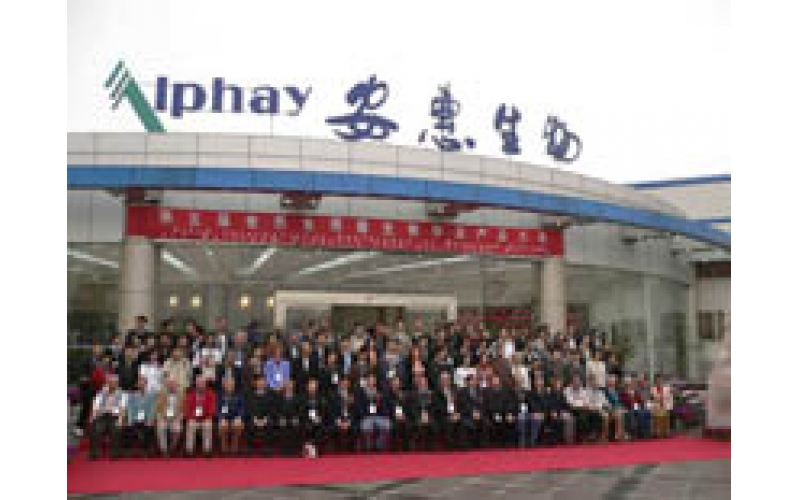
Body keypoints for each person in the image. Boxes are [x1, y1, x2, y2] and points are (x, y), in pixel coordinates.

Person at [89, 374, 127, 460]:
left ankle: (115, 453)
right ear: (107, 383)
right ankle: (94, 453)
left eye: (114, 382)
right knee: (96, 428)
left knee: (116, 429)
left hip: (115, 416)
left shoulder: (123, 394)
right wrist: (92, 417)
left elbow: (123, 408)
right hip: (102, 416)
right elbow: (95, 407)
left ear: (117, 384)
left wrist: (120, 419)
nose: (112, 384)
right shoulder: (100, 394)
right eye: (110, 382)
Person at [356, 373, 392, 452]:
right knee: (366, 426)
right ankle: (368, 446)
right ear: (367, 381)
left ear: (375, 381)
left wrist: (379, 402)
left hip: (379, 416)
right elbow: (359, 408)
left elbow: (385, 409)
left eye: (373, 379)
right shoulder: (361, 392)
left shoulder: (380, 392)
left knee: (387, 425)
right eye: (370, 379)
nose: (371, 381)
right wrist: (367, 411)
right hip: (367, 416)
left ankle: (379, 445)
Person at [184, 375, 217, 457]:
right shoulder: (190, 394)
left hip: (206, 417)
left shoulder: (211, 394)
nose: (200, 385)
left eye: (202, 383)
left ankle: (207, 450)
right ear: (195, 384)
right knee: (190, 425)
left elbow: (212, 408)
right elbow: (187, 409)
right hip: (193, 418)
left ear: (205, 384)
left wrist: (205, 417)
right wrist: (194, 417)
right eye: (198, 383)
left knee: (207, 425)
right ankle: (189, 450)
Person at [246, 374, 277, 456]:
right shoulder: (250, 395)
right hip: (253, 418)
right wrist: (254, 419)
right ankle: (253, 448)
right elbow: (248, 409)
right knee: (249, 423)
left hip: (267, 418)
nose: (261, 383)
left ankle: (267, 447)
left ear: (266, 383)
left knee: (271, 423)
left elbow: (272, 410)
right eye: (259, 381)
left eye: (263, 381)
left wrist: (265, 419)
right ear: (255, 383)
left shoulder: (271, 395)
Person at [125, 376, 156, 457]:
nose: (141, 385)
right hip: (135, 418)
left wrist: (149, 420)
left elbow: (152, 409)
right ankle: (129, 450)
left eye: (143, 384)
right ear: (137, 385)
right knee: (129, 427)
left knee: (149, 428)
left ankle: (146, 450)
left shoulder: (151, 395)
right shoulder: (132, 395)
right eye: (140, 384)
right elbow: (130, 409)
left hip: (146, 418)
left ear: (146, 384)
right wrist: (130, 420)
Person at [155, 378, 184, 457]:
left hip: (176, 417)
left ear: (176, 386)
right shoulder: (161, 394)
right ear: (167, 386)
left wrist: (177, 417)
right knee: (161, 427)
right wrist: (164, 416)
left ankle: (172, 447)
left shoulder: (181, 395)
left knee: (177, 429)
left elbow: (183, 409)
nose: (172, 386)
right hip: (164, 417)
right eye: (170, 384)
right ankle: (163, 449)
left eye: (173, 384)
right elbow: (158, 408)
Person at [433, 372, 462, 450]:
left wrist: (458, 413)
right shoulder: (437, 393)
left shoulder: (455, 391)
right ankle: (450, 446)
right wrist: (449, 415)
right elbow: (437, 408)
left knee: (462, 421)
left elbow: (460, 404)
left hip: (455, 414)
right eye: (444, 379)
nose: (446, 381)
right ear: (440, 381)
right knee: (448, 423)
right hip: (443, 415)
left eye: (447, 379)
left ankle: (461, 444)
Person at [217, 376, 246, 455]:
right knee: (223, 425)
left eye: (231, 384)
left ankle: (234, 446)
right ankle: (224, 447)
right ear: (224, 385)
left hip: (236, 417)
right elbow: (218, 409)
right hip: (224, 418)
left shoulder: (239, 395)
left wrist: (239, 417)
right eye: (227, 384)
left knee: (237, 425)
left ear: (234, 385)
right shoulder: (220, 396)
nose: (229, 386)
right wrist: (221, 418)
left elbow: (242, 408)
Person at [299, 378, 328, 456]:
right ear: (307, 387)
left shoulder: (321, 398)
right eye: (311, 385)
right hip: (306, 421)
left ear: (317, 387)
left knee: (322, 428)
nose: (312, 387)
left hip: (318, 420)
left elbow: (324, 411)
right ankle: (307, 450)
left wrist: (319, 417)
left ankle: (316, 450)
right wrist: (309, 419)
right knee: (305, 427)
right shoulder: (302, 398)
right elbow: (301, 411)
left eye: (314, 386)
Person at [408, 375, 436, 451]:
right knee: (417, 424)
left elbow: (434, 408)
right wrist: (420, 417)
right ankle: (416, 445)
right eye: (421, 383)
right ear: (418, 384)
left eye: (425, 383)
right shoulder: (412, 395)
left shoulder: (431, 394)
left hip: (429, 417)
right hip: (417, 417)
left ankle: (430, 446)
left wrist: (428, 416)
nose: (423, 385)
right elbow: (412, 409)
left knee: (432, 424)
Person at [276, 379, 302, 455]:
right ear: (284, 386)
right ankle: (284, 449)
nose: (289, 386)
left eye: (291, 385)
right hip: (283, 418)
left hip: (294, 418)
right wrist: (280, 417)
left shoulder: (298, 397)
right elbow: (276, 410)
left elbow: (300, 409)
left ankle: (295, 449)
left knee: (296, 425)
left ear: (293, 386)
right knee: (282, 425)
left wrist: (297, 417)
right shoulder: (279, 397)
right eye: (287, 385)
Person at [386, 376, 410, 451]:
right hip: (391, 416)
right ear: (391, 384)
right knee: (395, 425)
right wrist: (394, 415)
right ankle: (394, 447)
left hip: (403, 416)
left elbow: (408, 407)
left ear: (400, 384)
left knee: (406, 423)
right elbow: (386, 409)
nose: (396, 385)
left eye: (397, 383)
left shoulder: (404, 394)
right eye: (394, 383)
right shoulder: (387, 395)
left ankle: (405, 447)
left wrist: (404, 415)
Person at [602, 375, 629, 441]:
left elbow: (619, 401)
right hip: (609, 409)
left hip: (617, 408)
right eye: (610, 381)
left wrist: (622, 407)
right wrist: (614, 408)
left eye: (613, 381)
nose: (612, 383)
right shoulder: (604, 391)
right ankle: (618, 434)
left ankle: (621, 433)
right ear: (607, 382)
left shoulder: (616, 391)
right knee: (619, 413)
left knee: (623, 412)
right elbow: (604, 402)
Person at [585, 376, 611, 442]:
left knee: (617, 413)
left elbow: (605, 402)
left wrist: (608, 406)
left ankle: (618, 433)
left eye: (595, 381)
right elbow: (587, 404)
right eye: (592, 381)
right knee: (605, 416)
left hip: (601, 409)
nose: (594, 383)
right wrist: (598, 408)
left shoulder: (600, 392)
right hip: (591, 410)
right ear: (589, 383)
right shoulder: (586, 392)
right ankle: (604, 436)